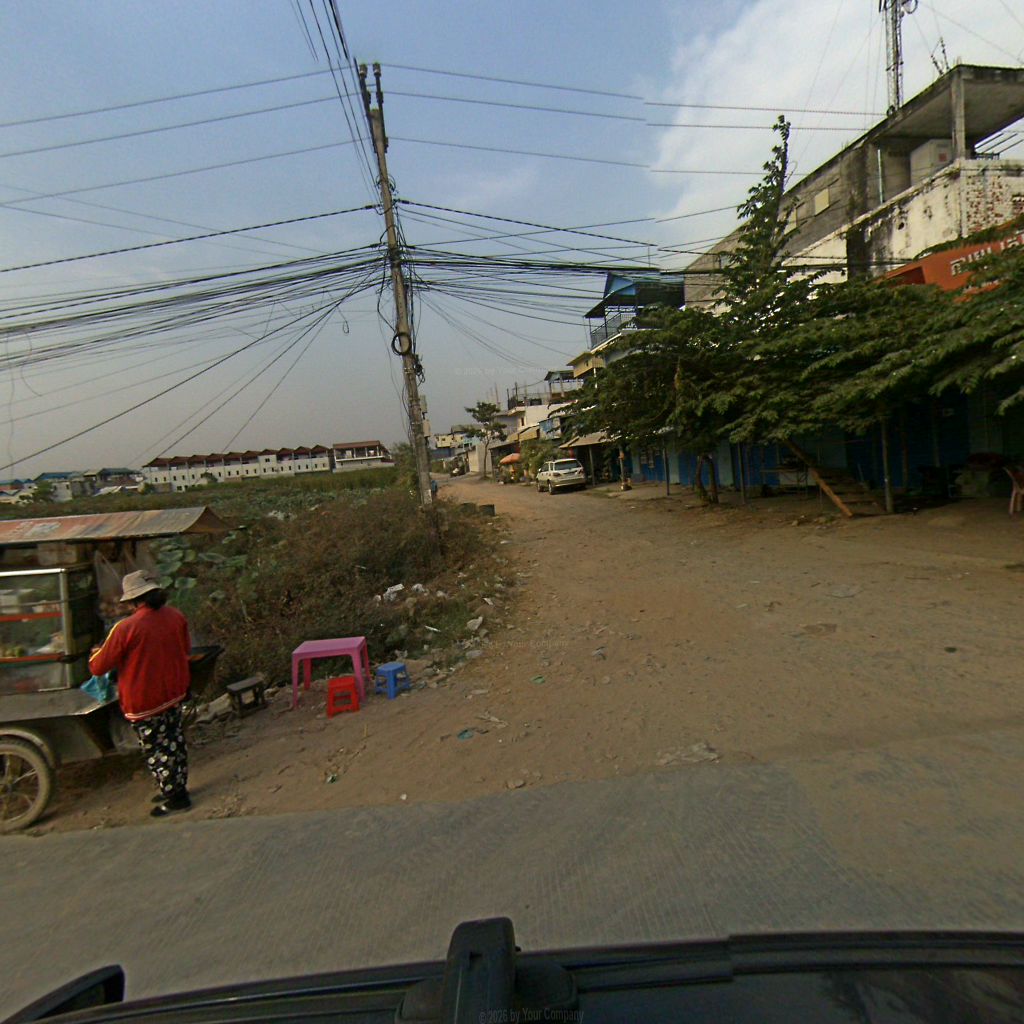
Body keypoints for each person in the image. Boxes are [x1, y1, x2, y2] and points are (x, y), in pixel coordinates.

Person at [90, 570, 192, 817]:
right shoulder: (176, 616)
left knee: (156, 750)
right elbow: (186, 648)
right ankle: (175, 787)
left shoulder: (126, 628)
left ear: (134, 600)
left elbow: (98, 666)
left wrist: (95, 652)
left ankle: (176, 798)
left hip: (144, 699)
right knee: (174, 742)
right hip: (173, 691)